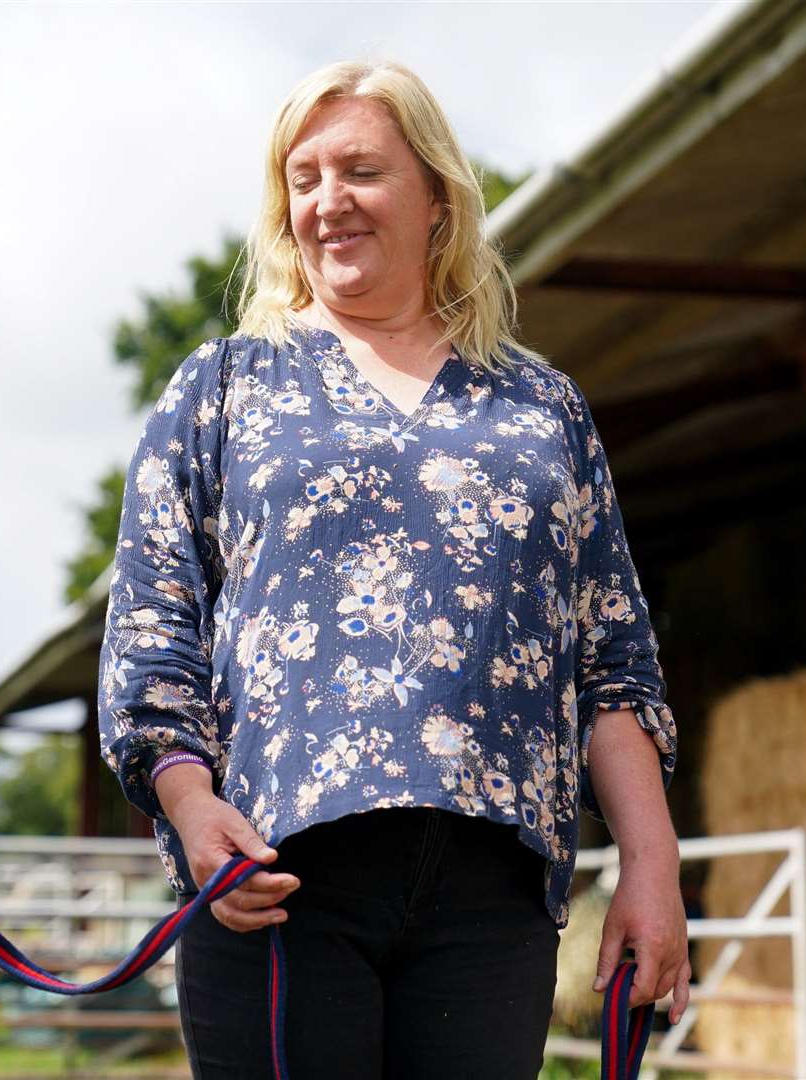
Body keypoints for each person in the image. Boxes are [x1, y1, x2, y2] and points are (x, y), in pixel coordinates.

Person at [98, 59, 687, 1079]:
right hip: (276, 877)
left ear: (436, 195)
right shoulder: (222, 386)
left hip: (491, 892)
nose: (330, 202)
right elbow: (153, 636)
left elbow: (613, 660)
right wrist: (193, 809)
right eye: (305, 177)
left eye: (362, 170)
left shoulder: (539, 406)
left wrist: (653, 863)